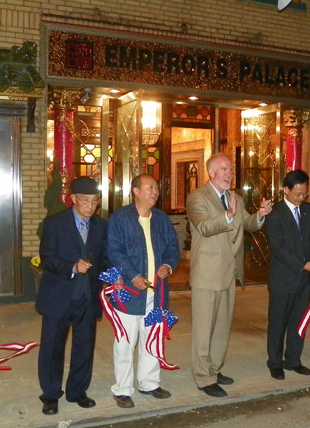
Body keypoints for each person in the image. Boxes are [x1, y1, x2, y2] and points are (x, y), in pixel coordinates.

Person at [186, 153, 272, 398]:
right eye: (224, 169)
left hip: (229, 272)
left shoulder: (236, 198)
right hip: (207, 274)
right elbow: (204, 227)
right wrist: (227, 216)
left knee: (222, 327)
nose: (229, 173)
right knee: (204, 329)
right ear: (211, 172)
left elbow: (247, 224)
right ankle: (203, 378)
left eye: (231, 169)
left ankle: (214, 369)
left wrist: (261, 215)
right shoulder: (196, 197)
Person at [36, 177, 109, 415]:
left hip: (87, 297)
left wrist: (114, 276)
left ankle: (77, 391)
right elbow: (47, 258)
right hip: (58, 296)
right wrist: (72, 266)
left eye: (95, 201)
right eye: (85, 201)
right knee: (52, 348)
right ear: (74, 199)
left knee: (84, 346)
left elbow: (104, 260)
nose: (90, 206)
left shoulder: (101, 226)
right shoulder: (55, 224)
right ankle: (50, 395)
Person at [107, 174, 180, 408]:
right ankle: (123, 389)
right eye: (150, 187)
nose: (155, 191)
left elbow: (172, 248)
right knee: (125, 342)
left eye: (157, 187)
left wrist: (168, 265)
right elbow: (114, 251)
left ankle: (149, 383)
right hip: (128, 292)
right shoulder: (120, 218)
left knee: (152, 339)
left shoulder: (161, 219)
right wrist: (133, 276)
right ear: (136, 191)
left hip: (156, 294)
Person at [265, 170, 310, 380]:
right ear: (286, 190)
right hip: (283, 278)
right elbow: (279, 248)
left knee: (299, 321)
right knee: (278, 322)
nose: (302, 198)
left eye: (305, 194)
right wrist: (304, 265)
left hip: (304, 278)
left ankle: (293, 359)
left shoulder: (309, 211)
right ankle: (274, 362)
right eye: (298, 194)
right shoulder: (275, 214)